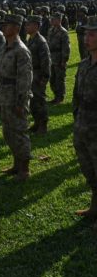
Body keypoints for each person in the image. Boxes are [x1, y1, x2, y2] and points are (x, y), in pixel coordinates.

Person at [0, 14, 33, 182]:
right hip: (4, 96)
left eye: (8, 25)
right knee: (8, 132)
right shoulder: (5, 47)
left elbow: (25, 80)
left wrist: (20, 102)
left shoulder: (21, 51)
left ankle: (24, 170)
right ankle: (16, 164)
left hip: (16, 97)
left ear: (17, 28)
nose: (4, 27)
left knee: (19, 133)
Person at [73, 15, 97, 219]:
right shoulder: (83, 65)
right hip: (83, 126)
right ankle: (95, 206)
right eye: (85, 34)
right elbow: (76, 97)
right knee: (89, 170)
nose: (86, 38)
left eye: (92, 34)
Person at [25, 15, 52, 134]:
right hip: (31, 74)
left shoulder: (41, 41)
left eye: (28, 24)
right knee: (33, 101)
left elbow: (46, 60)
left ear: (36, 26)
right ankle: (37, 122)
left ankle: (43, 125)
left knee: (40, 100)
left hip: (38, 75)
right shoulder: (31, 39)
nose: (26, 26)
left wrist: (45, 77)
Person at [47, 12, 71, 105]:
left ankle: (60, 98)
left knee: (59, 79)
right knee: (52, 79)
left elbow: (66, 47)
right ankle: (56, 96)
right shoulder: (51, 30)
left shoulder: (63, 32)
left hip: (59, 58)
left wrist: (64, 60)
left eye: (54, 19)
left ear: (59, 20)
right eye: (51, 19)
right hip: (51, 58)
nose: (51, 20)